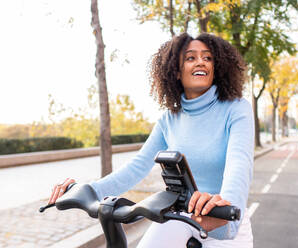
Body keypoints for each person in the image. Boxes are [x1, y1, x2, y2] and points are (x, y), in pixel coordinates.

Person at [49, 33, 254, 248]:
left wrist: (227, 207)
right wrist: (90, 190)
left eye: (208, 58)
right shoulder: (169, 119)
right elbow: (137, 166)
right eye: (190, 58)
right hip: (182, 217)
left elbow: (239, 164)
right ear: (175, 71)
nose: (201, 61)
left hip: (223, 220)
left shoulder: (236, 108)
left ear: (217, 67)